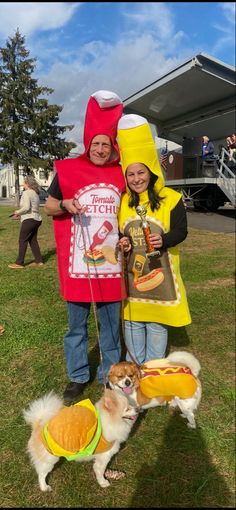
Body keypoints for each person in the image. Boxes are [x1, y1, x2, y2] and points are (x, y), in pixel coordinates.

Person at [45, 90, 126, 404]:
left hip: (110, 263)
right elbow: (50, 208)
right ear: (87, 144)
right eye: (97, 144)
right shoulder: (66, 171)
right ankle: (78, 376)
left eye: (107, 144)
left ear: (112, 147)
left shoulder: (121, 174)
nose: (101, 149)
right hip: (77, 266)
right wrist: (65, 203)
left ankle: (110, 374)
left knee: (109, 326)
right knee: (76, 327)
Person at [117, 114, 191, 364]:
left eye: (141, 172)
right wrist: (123, 242)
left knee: (157, 326)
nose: (136, 179)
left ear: (151, 172)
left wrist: (165, 240)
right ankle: (134, 373)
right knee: (134, 324)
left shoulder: (171, 198)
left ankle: (152, 373)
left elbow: (181, 231)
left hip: (163, 277)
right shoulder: (124, 202)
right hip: (133, 277)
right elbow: (121, 233)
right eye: (131, 175)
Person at [8, 175, 43, 269]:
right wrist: (20, 214)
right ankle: (39, 261)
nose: (23, 184)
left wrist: (17, 212)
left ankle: (19, 263)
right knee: (33, 240)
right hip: (37, 219)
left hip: (29, 219)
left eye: (24, 182)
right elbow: (32, 208)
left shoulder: (26, 193)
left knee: (22, 240)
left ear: (27, 183)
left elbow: (26, 207)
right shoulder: (35, 193)